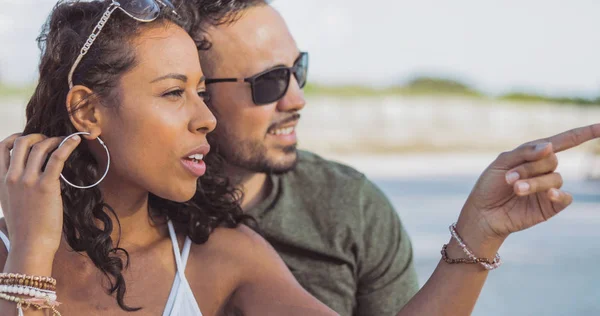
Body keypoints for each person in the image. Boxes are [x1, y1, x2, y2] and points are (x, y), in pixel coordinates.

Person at [1, 0, 598, 315]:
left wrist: (480, 234)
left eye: (202, 92)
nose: (204, 117)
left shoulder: (220, 256)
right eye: (173, 92)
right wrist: (29, 254)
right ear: (86, 111)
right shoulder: (10, 244)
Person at [190, 0, 600, 315]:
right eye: (270, 81)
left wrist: (480, 232)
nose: (297, 99)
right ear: (196, 93)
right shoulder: (144, 212)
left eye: (298, 70)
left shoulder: (351, 205)